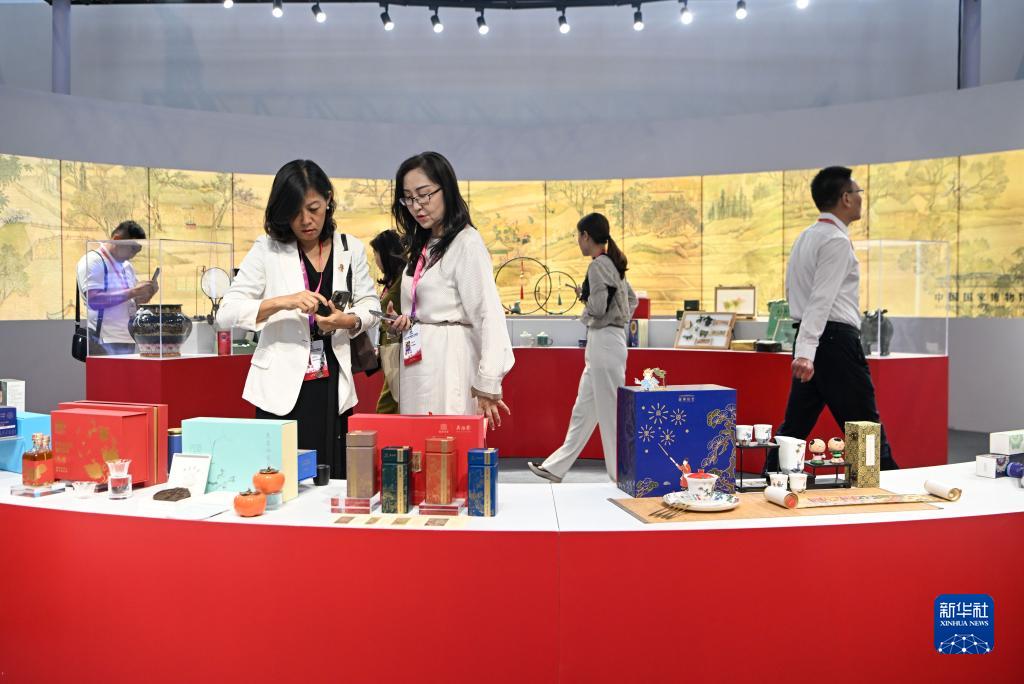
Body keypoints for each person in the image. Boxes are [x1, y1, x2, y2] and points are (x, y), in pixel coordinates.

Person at [217, 160, 380, 479]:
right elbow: (226, 313)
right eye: (294, 212)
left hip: (332, 379)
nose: (306, 221)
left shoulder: (350, 248)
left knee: (331, 478)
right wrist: (283, 302)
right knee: (281, 479)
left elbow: (370, 305)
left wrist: (346, 321)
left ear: (328, 200)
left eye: (314, 209)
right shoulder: (268, 249)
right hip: (281, 384)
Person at [771, 165, 897, 471]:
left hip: (815, 340)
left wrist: (805, 348)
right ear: (846, 198)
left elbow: (798, 294)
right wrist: (806, 352)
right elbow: (821, 299)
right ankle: (883, 485)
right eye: (858, 192)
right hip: (834, 341)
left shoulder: (806, 236)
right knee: (863, 425)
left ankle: (768, 480)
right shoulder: (836, 241)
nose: (861, 198)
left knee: (795, 426)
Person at [386, 151, 514, 427]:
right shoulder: (423, 244)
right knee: (417, 441)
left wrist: (488, 381)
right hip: (417, 361)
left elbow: (488, 314)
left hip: (450, 360)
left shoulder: (466, 243)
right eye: (408, 198)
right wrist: (404, 320)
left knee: (446, 441)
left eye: (424, 195)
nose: (417, 206)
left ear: (446, 189)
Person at [527, 213, 637, 483]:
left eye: (579, 236)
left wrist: (585, 300)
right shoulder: (613, 264)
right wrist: (617, 317)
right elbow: (631, 300)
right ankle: (556, 467)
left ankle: (621, 475)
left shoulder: (598, 266)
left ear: (586, 236)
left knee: (610, 414)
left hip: (603, 343)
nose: (578, 241)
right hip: (610, 342)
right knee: (584, 411)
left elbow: (597, 308)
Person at [76, 220, 157, 355]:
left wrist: (146, 293)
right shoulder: (93, 261)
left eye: (139, 249)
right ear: (117, 240)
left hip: (128, 338)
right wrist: (134, 291)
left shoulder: (127, 266)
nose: (135, 253)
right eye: (133, 248)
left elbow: (131, 301)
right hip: (104, 341)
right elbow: (94, 300)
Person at [370, 229, 406, 414]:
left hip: (398, 345)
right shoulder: (393, 281)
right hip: (388, 345)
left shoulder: (404, 280)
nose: (375, 259)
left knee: (388, 402)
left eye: (376, 253)